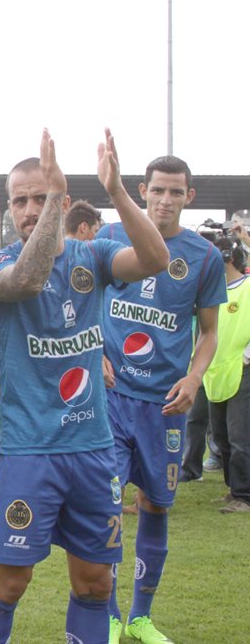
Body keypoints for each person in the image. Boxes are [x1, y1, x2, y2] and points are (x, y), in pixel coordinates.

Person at [0, 129, 168, 644]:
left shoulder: (94, 256)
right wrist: (58, 199)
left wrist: (120, 192)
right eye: (21, 200)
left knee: (96, 582)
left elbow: (155, 260)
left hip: (93, 450)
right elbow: (28, 280)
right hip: (29, 450)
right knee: (11, 581)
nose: (30, 207)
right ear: (9, 207)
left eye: (41, 196)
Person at [96, 155, 225, 643]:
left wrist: (194, 379)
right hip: (109, 400)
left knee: (155, 506)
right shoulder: (111, 234)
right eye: (158, 190)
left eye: (176, 192)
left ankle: (142, 617)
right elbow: (83, 301)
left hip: (164, 407)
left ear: (189, 198)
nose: (165, 200)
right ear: (141, 190)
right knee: (105, 506)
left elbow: (209, 331)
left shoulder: (204, 257)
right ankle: (108, 615)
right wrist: (92, 352)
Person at [201, 228, 250, 514]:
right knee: (220, 436)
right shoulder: (212, 292)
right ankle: (234, 489)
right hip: (216, 371)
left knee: (240, 437)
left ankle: (245, 495)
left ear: (226, 258)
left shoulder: (247, 287)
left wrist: (245, 357)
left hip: (242, 370)